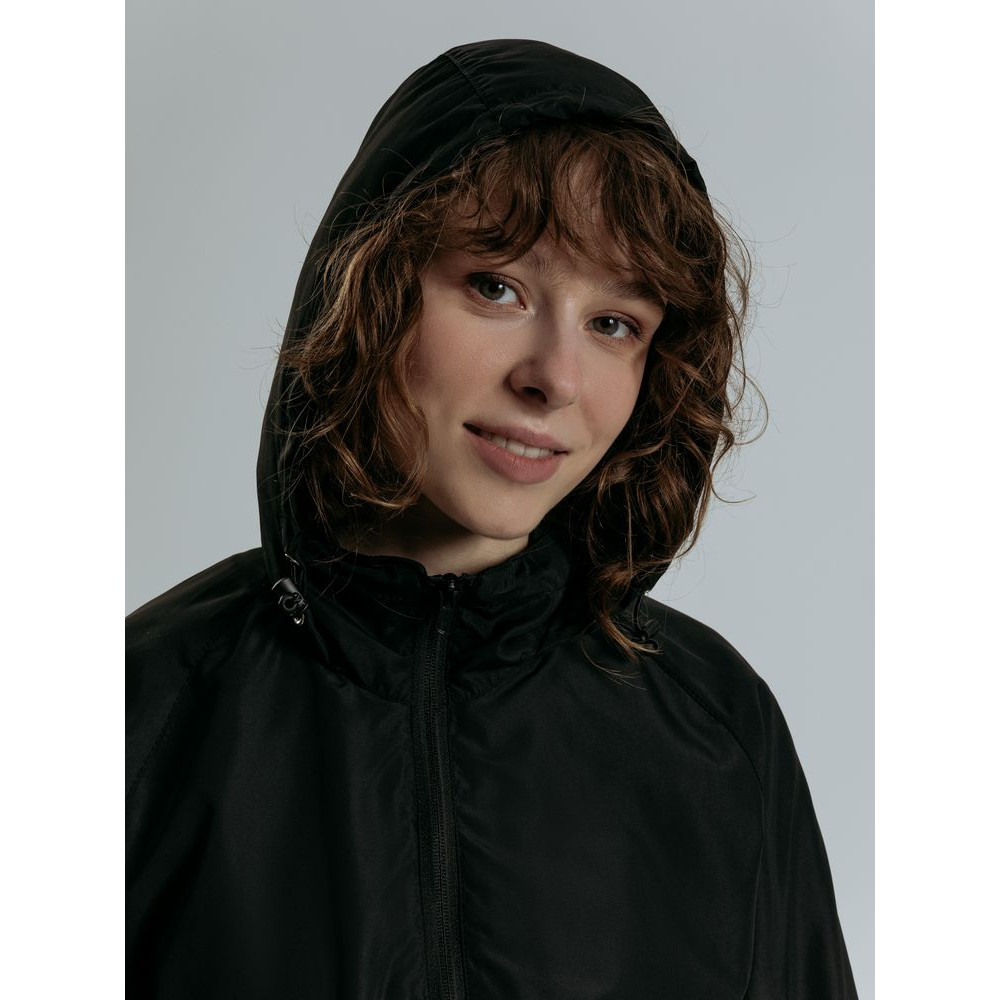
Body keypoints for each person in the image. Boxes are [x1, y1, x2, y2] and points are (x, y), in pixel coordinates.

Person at [126, 38, 858, 999]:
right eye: (496, 286)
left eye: (614, 324)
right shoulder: (145, 706)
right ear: (372, 287)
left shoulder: (717, 729)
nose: (555, 378)